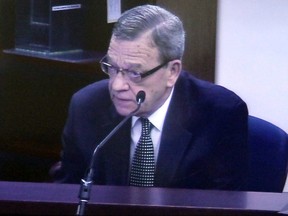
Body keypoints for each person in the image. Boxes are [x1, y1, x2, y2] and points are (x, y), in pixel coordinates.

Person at [51, 4, 249, 190]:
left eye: (135, 73)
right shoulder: (87, 106)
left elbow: (222, 204)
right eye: (112, 68)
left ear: (172, 71)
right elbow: (67, 193)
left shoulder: (220, 114)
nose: (118, 85)